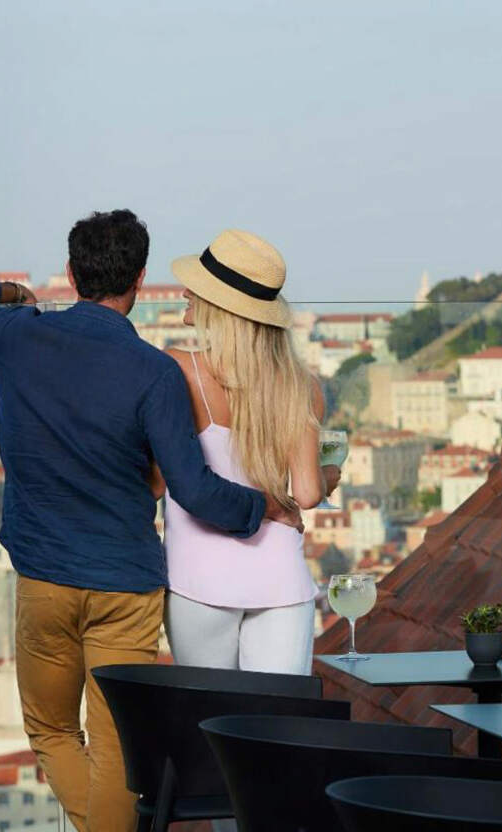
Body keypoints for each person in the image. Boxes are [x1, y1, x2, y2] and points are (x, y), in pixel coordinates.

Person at [0, 210, 302, 832]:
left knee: (49, 729)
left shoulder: (16, 335)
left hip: (44, 578)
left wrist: (12, 293)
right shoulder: (154, 371)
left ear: (70, 273)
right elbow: (195, 489)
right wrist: (268, 507)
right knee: (119, 749)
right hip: (127, 586)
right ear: (141, 279)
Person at [158, 229, 338, 675]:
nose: (184, 293)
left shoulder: (178, 368)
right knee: (277, 726)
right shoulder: (302, 385)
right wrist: (332, 470)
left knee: (208, 723)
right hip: (280, 580)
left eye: (196, 289)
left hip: (198, 578)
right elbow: (310, 494)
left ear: (220, 308)